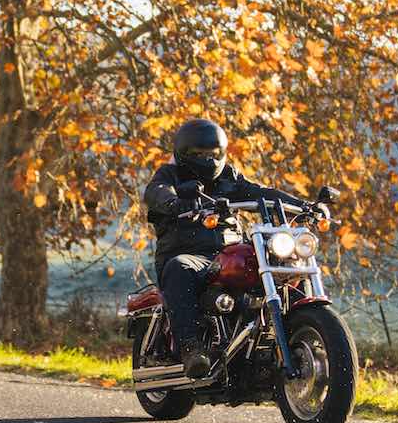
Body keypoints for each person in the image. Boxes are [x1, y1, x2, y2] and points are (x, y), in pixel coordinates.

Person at [143, 117, 336, 379]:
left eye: (214, 154)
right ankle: (191, 348)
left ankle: (292, 337)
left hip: (226, 252)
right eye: (200, 154)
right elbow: (157, 192)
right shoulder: (170, 174)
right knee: (181, 268)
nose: (209, 160)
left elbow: (260, 192)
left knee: (285, 267)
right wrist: (175, 203)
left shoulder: (228, 176)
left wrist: (305, 207)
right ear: (185, 153)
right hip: (187, 254)